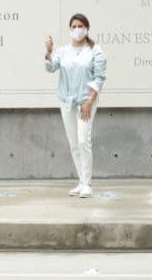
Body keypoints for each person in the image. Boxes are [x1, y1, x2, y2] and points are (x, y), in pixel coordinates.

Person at [44, 13, 107, 198]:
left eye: (80, 26)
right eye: (74, 26)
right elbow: (51, 68)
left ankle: (88, 183)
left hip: (86, 102)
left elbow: (100, 77)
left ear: (86, 28)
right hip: (67, 102)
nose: (77, 29)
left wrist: (90, 101)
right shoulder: (63, 51)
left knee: (83, 140)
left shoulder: (95, 50)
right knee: (73, 143)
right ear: (70, 29)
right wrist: (49, 51)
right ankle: (81, 180)